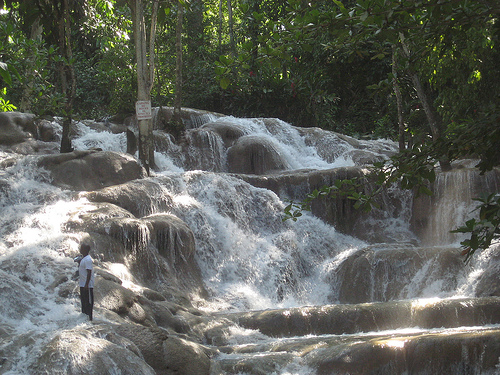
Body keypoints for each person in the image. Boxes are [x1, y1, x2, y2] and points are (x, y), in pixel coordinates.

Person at [76, 243, 95, 321]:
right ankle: (84, 318)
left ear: (85, 250)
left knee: (88, 303)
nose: (80, 249)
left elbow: (89, 272)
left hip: (87, 285)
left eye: (81, 248)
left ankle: (90, 319)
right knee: (84, 302)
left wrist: (87, 285)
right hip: (83, 284)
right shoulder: (84, 258)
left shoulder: (88, 260)